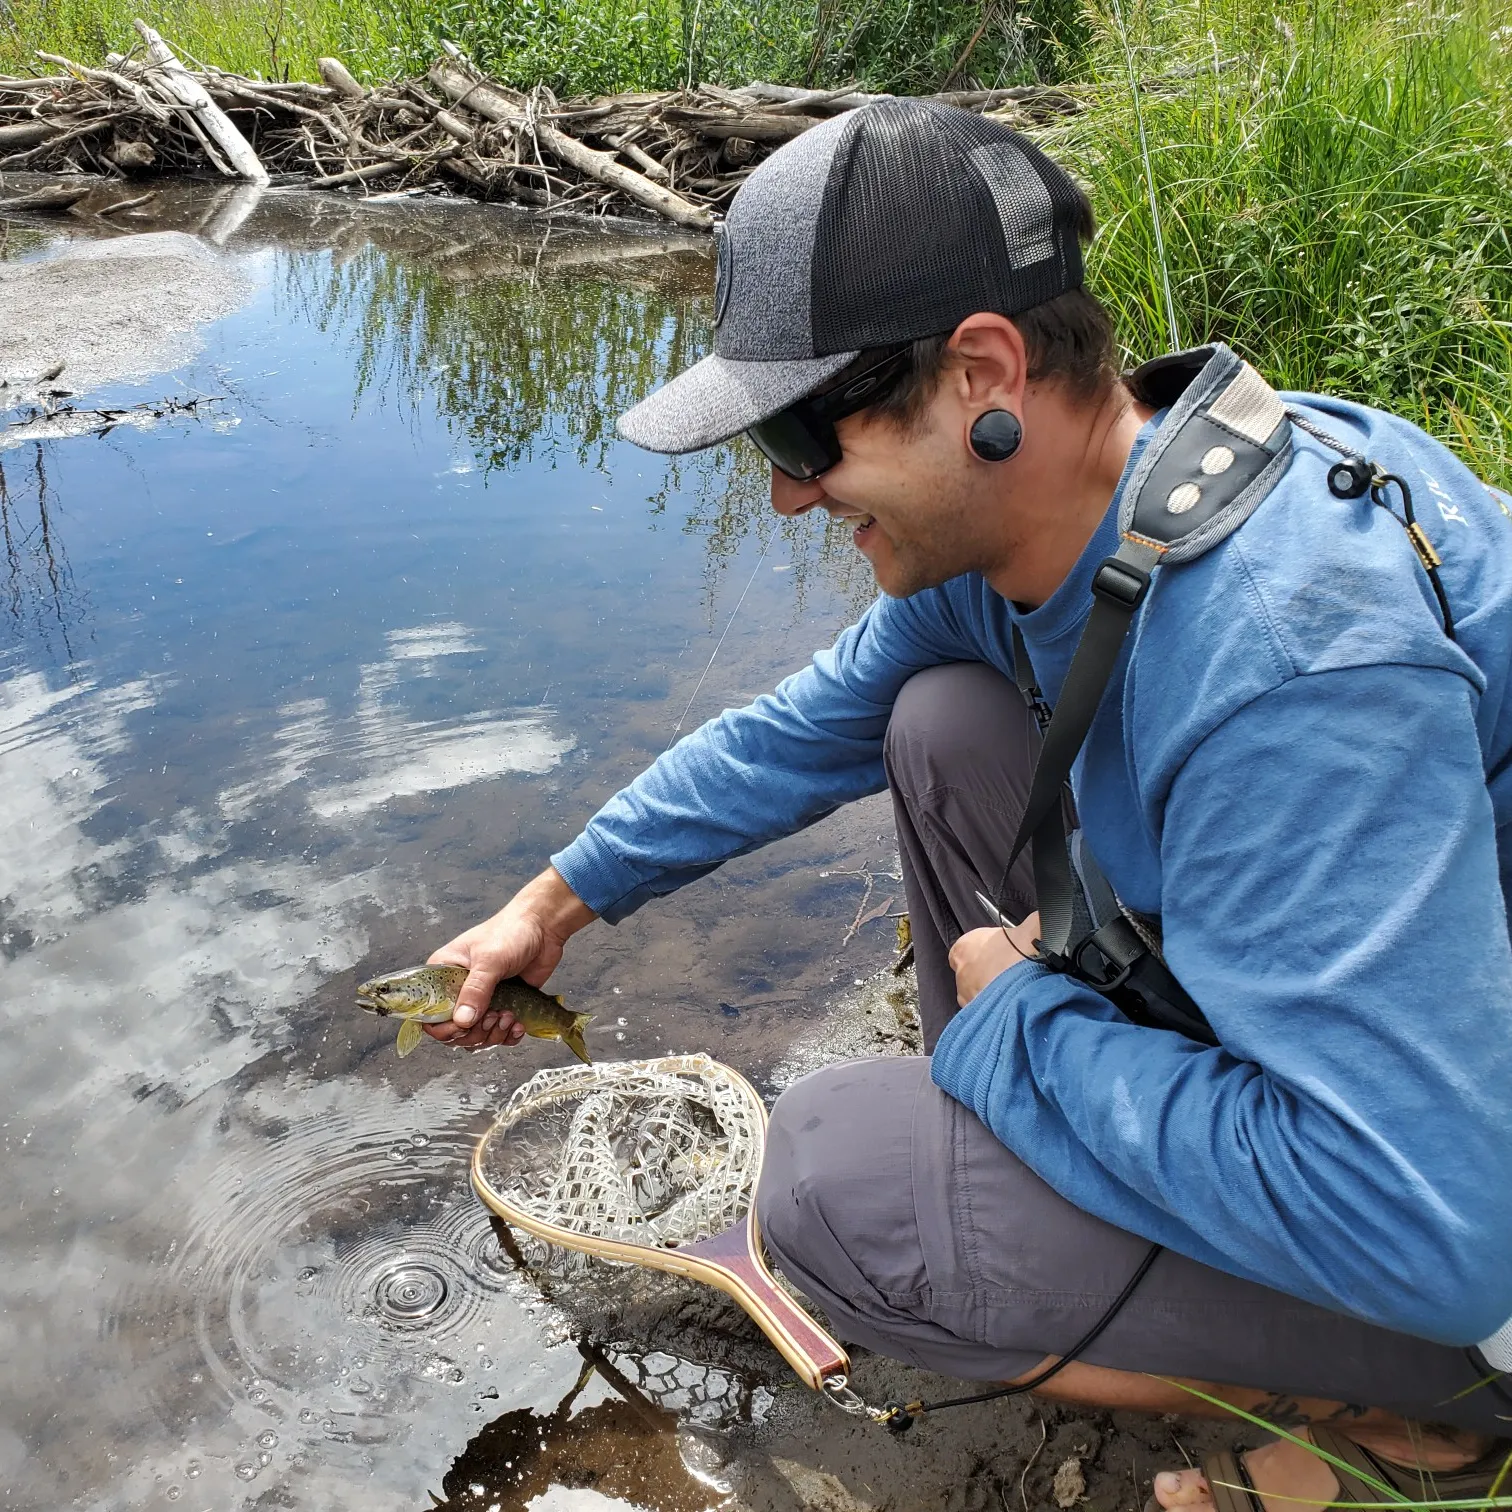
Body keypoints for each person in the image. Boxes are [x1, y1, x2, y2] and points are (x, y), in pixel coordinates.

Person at [425, 99, 1512, 1511]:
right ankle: (1052, 1175)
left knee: (832, 1195)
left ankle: (1416, 1409)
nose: (785, 496)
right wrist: (555, 900)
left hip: (1456, 1224)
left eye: (810, 430)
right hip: (1413, 1043)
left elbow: (1435, 1230)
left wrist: (1019, 1023)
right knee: (933, 719)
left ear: (983, 373)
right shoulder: (1091, 512)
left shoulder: (1288, 668)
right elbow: (796, 730)